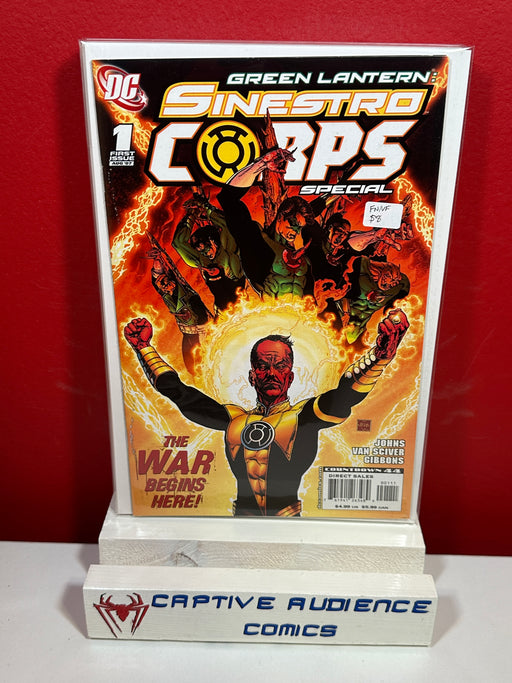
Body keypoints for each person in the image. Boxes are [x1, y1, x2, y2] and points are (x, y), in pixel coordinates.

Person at [124, 308, 409, 516]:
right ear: (252, 376)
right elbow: (181, 395)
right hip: (242, 519)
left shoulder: (301, 417)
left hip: (288, 520)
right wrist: (144, 348)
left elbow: (342, 397)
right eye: (262, 367)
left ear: (291, 376)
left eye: (280, 366)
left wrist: (380, 356)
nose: (271, 373)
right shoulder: (234, 419)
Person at [217, 149, 317, 298]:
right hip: (269, 308)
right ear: (281, 216)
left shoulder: (303, 260)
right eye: (293, 224)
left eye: (299, 228)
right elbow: (227, 198)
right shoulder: (254, 240)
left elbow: (310, 299)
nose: (295, 231)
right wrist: (262, 164)